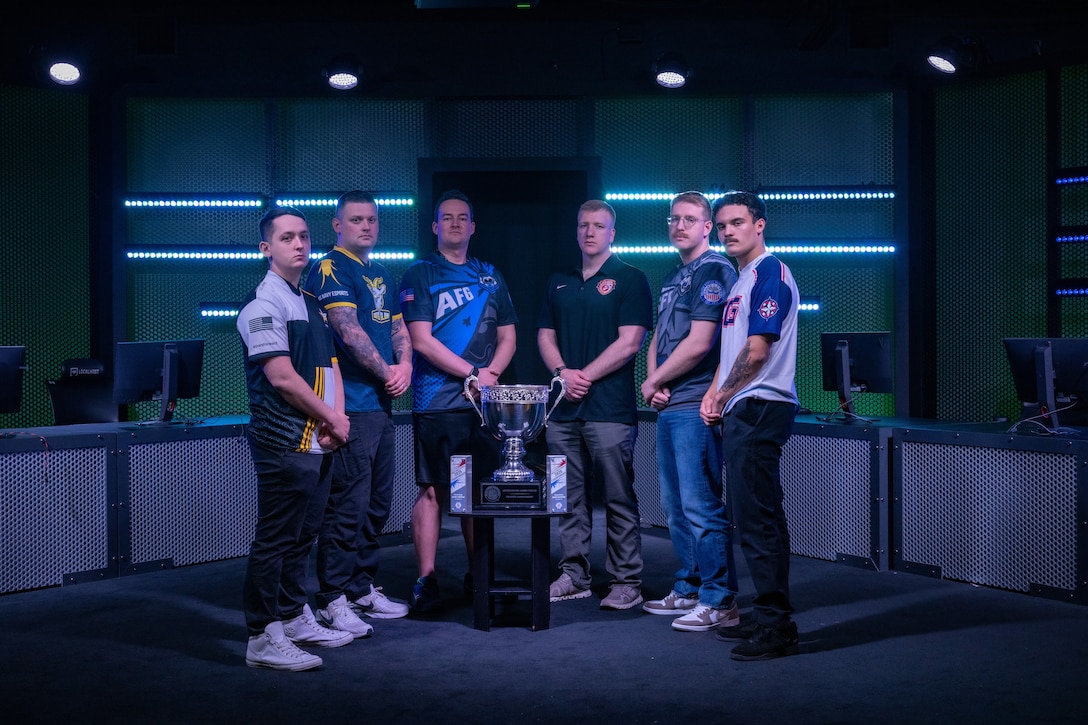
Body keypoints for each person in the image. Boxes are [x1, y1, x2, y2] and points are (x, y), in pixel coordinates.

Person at [237, 206, 354, 672]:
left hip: (319, 440)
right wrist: (330, 417)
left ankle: (292, 616)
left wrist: (337, 420)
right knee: (276, 538)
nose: (299, 244)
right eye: (286, 238)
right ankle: (261, 636)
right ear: (266, 248)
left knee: (304, 535)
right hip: (282, 440)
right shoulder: (262, 304)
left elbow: (330, 368)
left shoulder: (309, 301)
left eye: (304, 236)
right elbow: (282, 378)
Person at [397, 189, 517, 613]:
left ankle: (477, 573)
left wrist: (491, 376)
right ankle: (426, 580)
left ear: (472, 226)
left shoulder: (490, 275)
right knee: (433, 491)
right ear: (434, 226)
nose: (454, 224)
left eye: (461, 218)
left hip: (483, 403)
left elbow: (508, 336)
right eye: (445, 218)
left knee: (474, 491)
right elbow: (421, 340)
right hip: (437, 400)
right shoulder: (420, 274)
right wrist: (470, 374)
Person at [303, 191, 412, 636]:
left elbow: (398, 326)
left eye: (371, 220)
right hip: (350, 404)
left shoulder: (382, 272)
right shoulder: (330, 266)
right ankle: (332, 597)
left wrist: (404, 365)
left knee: (377, 504)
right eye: (356, 220)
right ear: (337, 225)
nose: (366, 226)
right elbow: (348, 332)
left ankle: (361, 585)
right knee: (347, 505)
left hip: (381, 405)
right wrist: (389, 370)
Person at [699, 190, 800, 661]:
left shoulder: (770, 275)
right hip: (741, 405)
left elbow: (758, 351)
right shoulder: (741, 280)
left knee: (759, 520)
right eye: (722, 226)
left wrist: (721, 393)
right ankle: (763, 615)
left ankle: (777, 628)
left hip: (760, 406)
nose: (728, 232)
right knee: (753, 517)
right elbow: (734, 348)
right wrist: (714, 391)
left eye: (737, 222)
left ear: (760, 224)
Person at [538, 199, 653, 610]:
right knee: (567, 496)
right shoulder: (558, 281)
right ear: (576, 231)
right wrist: (563, 372)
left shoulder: (630, 279)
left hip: (610, 408)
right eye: (583, 225)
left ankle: (626, 581)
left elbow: (630, 342)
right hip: (563, 409)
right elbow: (545, 336)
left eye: (598, 226)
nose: (590, 232)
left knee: (618, 496)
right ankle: (574, 575)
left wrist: (583, 375)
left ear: (612, 233)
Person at [640, 191, 740, 632]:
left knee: (701, 506)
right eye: (674, 219)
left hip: (696, 405)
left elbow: (701, 342)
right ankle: (689, 588)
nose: (679, 226)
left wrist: (656, 380)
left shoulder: (714, 270)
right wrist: (654, 382)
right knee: (676, 507)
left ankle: (720, 600)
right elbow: (658, 338)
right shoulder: (673, 276)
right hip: (668, 404)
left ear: (706, 227)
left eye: (690, 219)